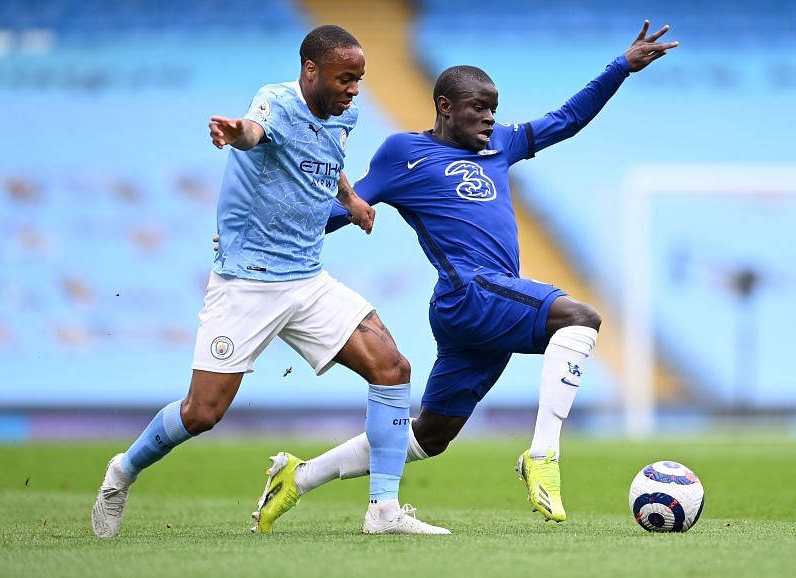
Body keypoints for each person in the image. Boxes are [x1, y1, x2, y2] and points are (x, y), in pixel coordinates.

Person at [246, 20, 679, 532]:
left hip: (483, 305)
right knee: (580, 318)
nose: (489, 120)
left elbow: (566, 120)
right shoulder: (405, 152)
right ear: (445, 107)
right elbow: (350, 205)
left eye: (493, 110)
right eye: (479, 109)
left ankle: (299, 477)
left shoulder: (502, 146)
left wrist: (620, 68)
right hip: (468, 291)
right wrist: (266, 234)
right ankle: (543, 455)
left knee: (429, 436)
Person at [91, 24, 450, 539]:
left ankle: (383, 510)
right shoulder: (275, 102)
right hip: (248, 283)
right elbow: (255, 133)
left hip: (307, 278)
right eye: (344, 77)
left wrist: (350, 200)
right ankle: (122, 471)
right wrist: (235, 134)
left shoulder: (342, 114)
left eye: (360, 79)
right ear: (310, 70)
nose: (354, 89)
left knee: (392, 368)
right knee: (202, 412)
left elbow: (330, 159)